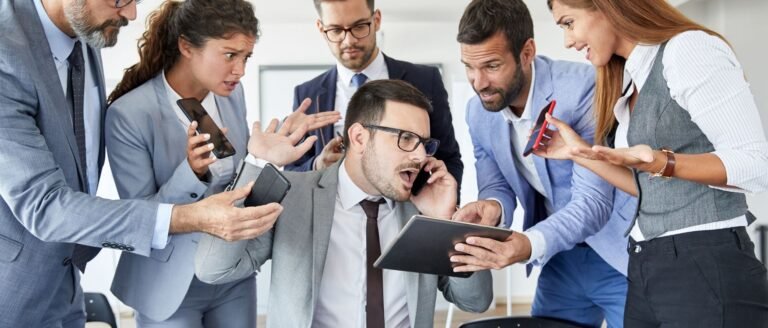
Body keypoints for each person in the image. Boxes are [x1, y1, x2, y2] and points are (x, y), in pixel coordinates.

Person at [0, 0, 284, 326]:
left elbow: (228, 177)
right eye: (120, 0)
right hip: (15, 286)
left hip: (70, 283)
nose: (132, 13)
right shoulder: (9, 52)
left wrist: (263, 157)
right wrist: (191, 197)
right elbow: (46, 206)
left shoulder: (83, 43)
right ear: (187, 47)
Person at [538, 0, 768, 326]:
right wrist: (579, 153)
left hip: (704, 262)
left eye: (568, 22)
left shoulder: (687, 49)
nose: (568, 41)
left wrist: (661, 162)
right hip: (646, 264)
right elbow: (647, 185)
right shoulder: (630, 81)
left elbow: (756, 164)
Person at [195, 80, 493, 328]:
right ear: (360, 138)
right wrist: (258, 162)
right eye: (405, 138)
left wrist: (447, 222)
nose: (419, 155)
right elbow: (214, 269)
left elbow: (475, 301)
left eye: (423, 143)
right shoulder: (294, 196)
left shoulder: (423, 206)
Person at [448, 0, 636, 326]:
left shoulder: (583, 90)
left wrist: (527, 245)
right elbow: (498, 183)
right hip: (559, 257)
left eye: (492, 66)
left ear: (527, 52)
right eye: (468, 66)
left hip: (618, 252)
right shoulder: (477, 112)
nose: (478, 82)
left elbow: (593, 202)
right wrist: (493, 206)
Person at [285, 0, 463, 194]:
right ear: (321, 28)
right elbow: (292, 174)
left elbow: (449, 158)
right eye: (336, 30)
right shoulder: (307, 95)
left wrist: (439, 214)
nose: (349, 41)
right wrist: (318, 165)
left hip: (408, 211)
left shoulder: (425, 80)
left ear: (376, 20)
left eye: (359, 27)